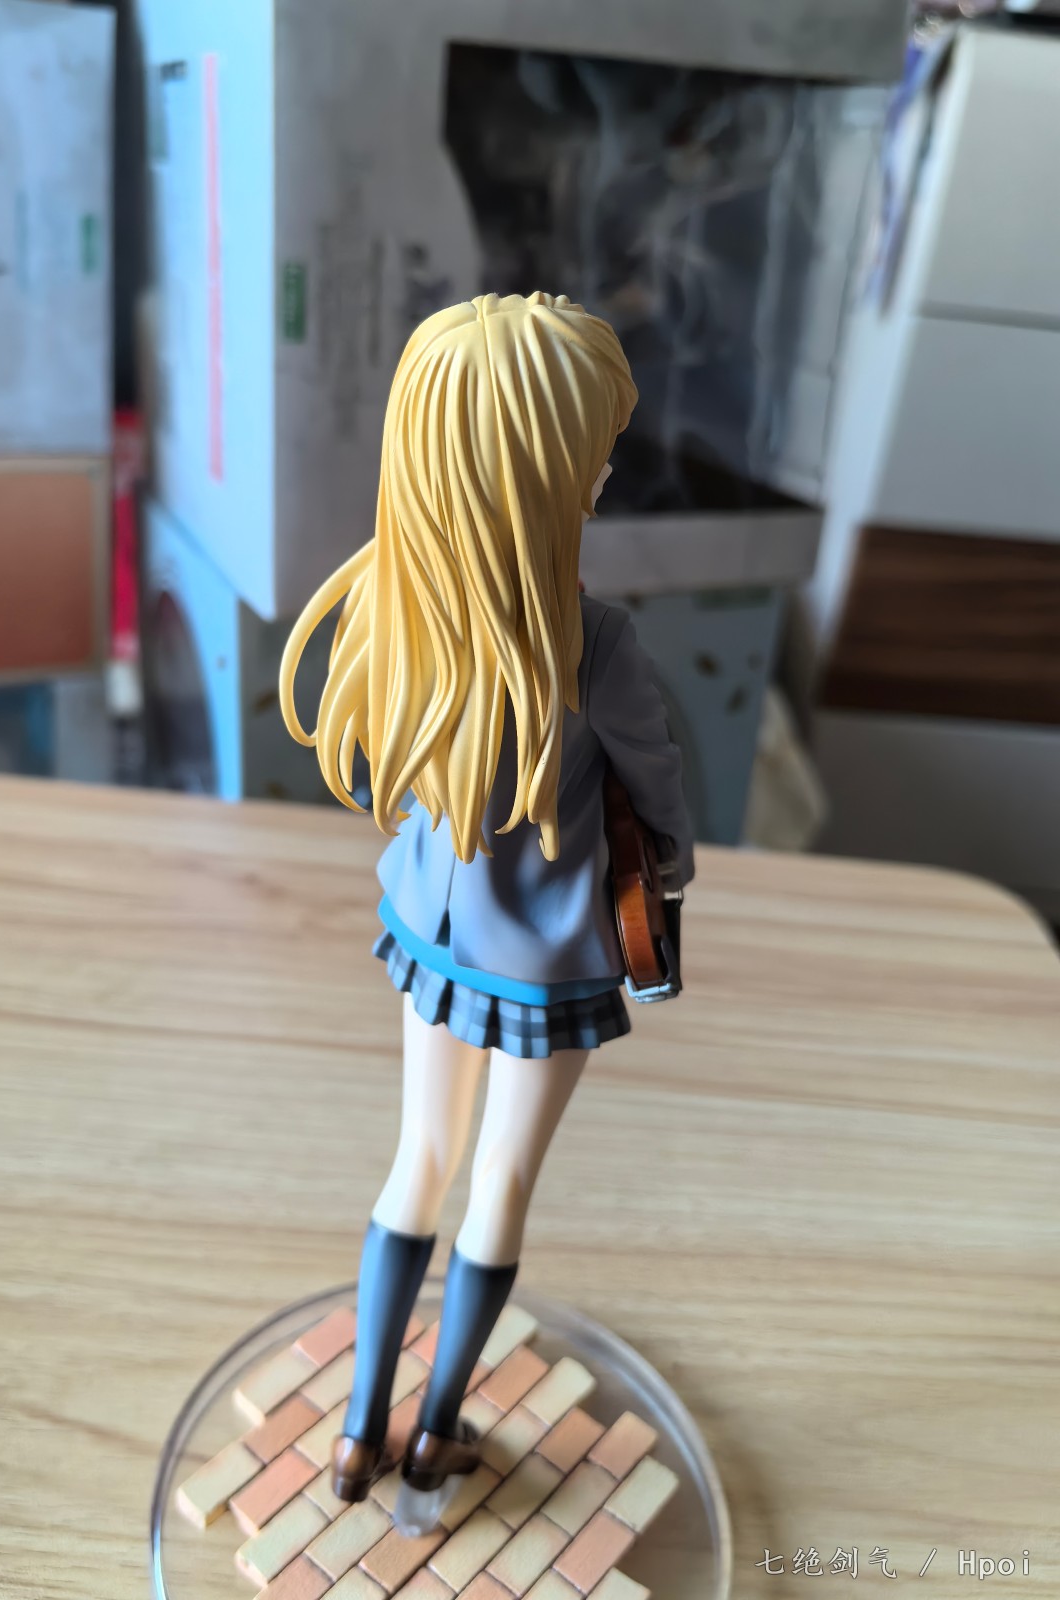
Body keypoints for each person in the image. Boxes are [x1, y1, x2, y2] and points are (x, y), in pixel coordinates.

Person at [280, 292, 692, 1505]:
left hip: (432, 935)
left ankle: (359, 1427)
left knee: (418, 1158)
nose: (605, 473)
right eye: (593, 453)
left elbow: (382, 772)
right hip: (549, 961)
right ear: (544, 476)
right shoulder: (593, 645)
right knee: (499, 1183)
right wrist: (666, 878)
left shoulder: (392, 610)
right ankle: (436, 1428)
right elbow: (657, 792)